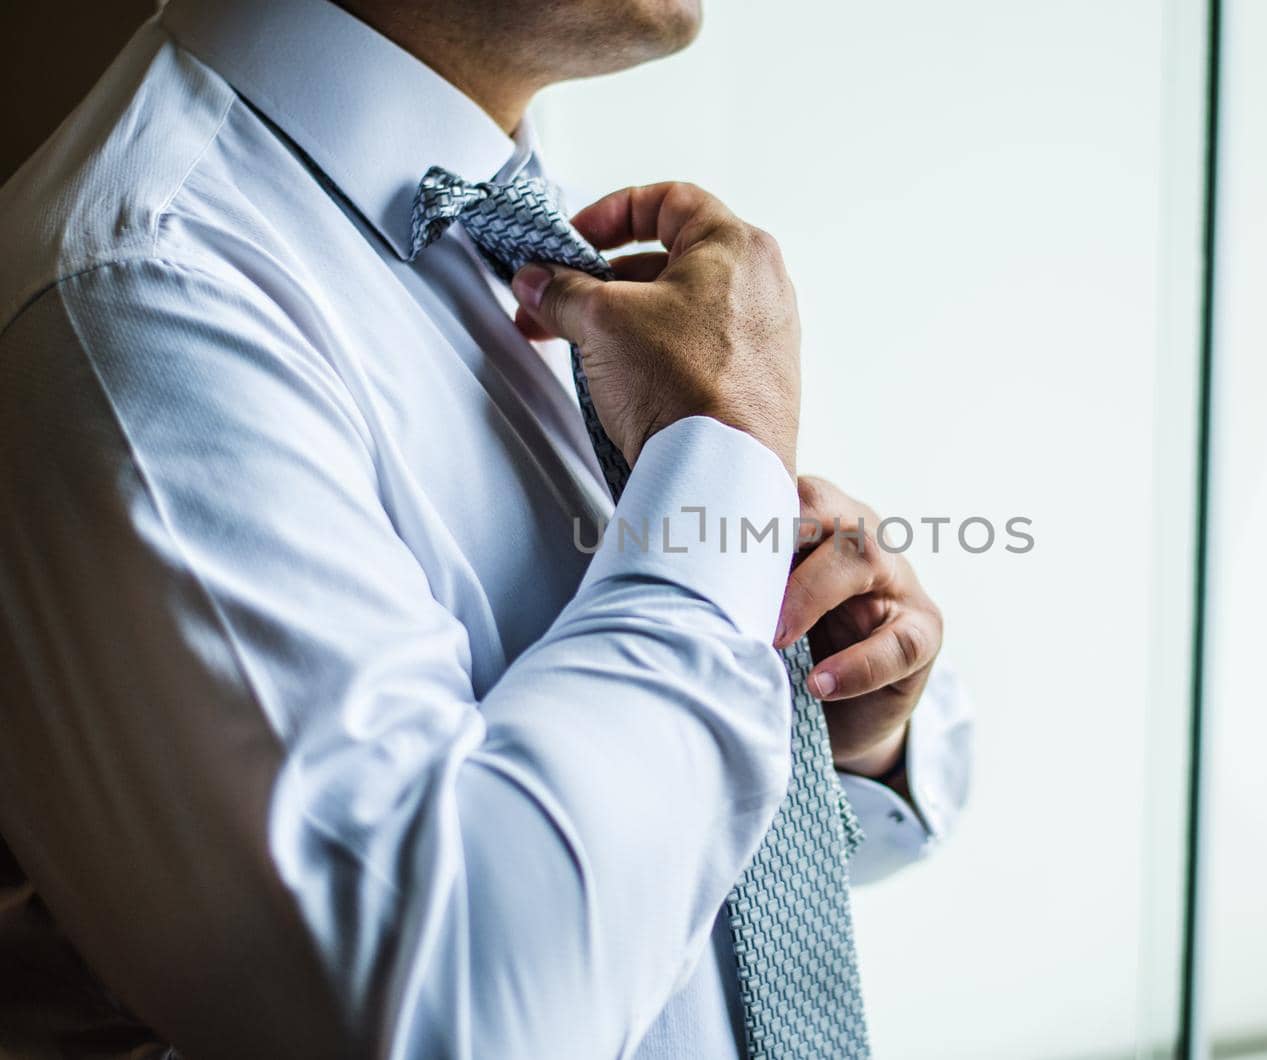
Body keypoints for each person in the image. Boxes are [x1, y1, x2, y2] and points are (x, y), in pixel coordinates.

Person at [0, 0, 973, 1056]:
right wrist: (719, 465)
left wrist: (805, 711)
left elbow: (616, 832)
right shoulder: (144, 294)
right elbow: (454, 1005)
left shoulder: (504, 222)